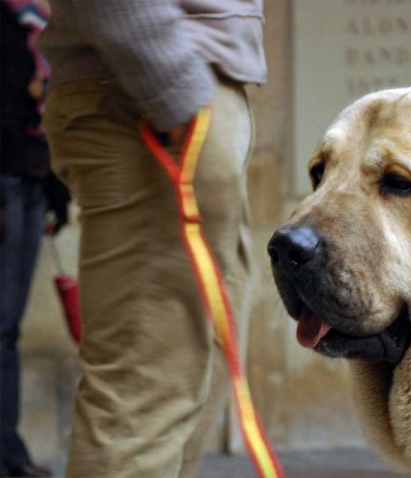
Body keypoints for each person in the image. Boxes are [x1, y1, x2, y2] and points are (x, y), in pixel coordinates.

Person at [38, 2, 266, 477]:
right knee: (145, 398)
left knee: (185, 386)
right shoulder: (168, 87)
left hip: (180, 90)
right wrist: (171, 81)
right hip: (150, 96)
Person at [0, 1, 70, 476]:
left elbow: (50, 114)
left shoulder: (45, 20)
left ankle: (8, 452)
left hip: (29, 182)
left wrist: (56, 193)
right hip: (3, 186)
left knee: (6, 329)